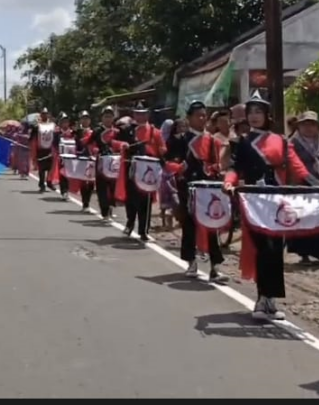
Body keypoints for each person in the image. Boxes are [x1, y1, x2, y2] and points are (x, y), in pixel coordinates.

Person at [223, 92, 318, 320]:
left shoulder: (282, 141)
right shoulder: (244, 143)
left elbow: (299, 169)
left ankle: (271, 300)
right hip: (255, 201)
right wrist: (228, 182)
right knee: (262, 248)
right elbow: (236, 168)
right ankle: (261, 299)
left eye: (259, 112)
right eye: (251, 112)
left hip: (277, 201)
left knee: (275, 249)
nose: (254, 116)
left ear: (267, 115)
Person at [166, 101, 228, 283]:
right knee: (189, 225)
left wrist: (216, 170)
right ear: (189, 118)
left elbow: (216, 163)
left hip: (208, 188)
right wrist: (180, 167)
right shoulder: (180, 139)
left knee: (212, 225)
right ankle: (191, 261)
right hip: (188, 187)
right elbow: (168, 162)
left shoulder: (212, 140)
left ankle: (215, 267)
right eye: (197, 115)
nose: (201, 118)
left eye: (203, 115)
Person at [287, 110, 319, 265]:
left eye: (312, 124)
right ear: (299, 127)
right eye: (305, 124)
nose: (308, 128)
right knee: (302, 218)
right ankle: (304, 253)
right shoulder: (292, 143)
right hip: (301, 185)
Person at [115, 101, 166, 241]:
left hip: (148, 169)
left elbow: (162, 148)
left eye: (143, 114)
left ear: (147, 115)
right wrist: (122, 145)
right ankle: (130, 222)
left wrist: (159, 151)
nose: (140, 117)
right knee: (131, 199)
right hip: (132, 168)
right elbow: (114, 142)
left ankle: (143, 230)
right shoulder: (127, 129)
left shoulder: (155, 132)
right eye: (137, 114)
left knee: (146, 200)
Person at [82, 106, 119, 222]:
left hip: (115, 162)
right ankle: (104, 212)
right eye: (106, 117)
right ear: (102, 118)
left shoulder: (118, 130)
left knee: (113, 187)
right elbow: (88, 143)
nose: (108, 119)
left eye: (110, 116)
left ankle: (111, 208)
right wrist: (94, 150)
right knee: (102, 187)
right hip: (101, 161)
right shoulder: (97, 130)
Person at [29, 108, 57, 193]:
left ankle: (49, 182)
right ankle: (42, 185)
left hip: (50, 149)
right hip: (40, 150)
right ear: (41, 115)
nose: (45, 115)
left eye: (46, 114)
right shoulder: (37, 126)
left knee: (50, 168)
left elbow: (56, 136)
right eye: (43, 114)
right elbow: (32, 137)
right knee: (41, 168)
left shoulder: (52, 125)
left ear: (48, 115)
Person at [74, 110, 95, 211]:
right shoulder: (77, 132)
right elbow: (75, 145)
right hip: (81, 158)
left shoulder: (94, 132)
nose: (85, 121)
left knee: (91, 182)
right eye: (83, 119)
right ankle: (84, 203)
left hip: (91, 159)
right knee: (83, 182)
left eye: (87, 119)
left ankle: (88, 200)